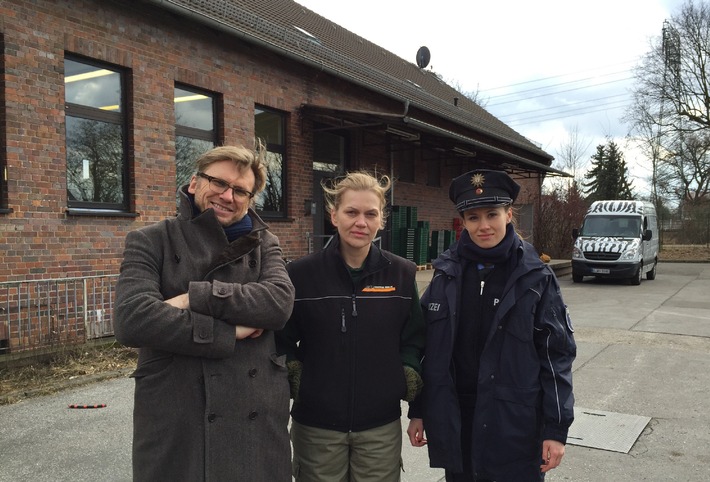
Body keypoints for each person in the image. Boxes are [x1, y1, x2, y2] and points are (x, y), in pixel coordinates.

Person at [114, 144, 295, 482]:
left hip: (254, 411)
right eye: (219, 183)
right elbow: (133, 319)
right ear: (195, 182)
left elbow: (278, 304)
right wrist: (230, 332)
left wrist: (191, 297)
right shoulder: (151, 240)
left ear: (250, 199)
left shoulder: (265, 242)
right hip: (178, 410)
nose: (228, 196)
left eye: (241, 190)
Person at [407, 169, 576, 482]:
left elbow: (556, 358)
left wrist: (555, 429)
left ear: (509, 214)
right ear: (463, 222)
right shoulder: (446, 275)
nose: (483, 225)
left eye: (492, 214)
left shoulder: (536, 278)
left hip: (514, 424)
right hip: (459, 421)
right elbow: (427, 348)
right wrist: (418, 409)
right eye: (473, 217)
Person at [275, 171, 425, 482]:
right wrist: (294, 375)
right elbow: (281, 338)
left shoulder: (401, 274)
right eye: (351, 212)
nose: (361, 222)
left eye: (371, 214)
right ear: (334, 215)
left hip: (379, 427)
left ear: (381, 219)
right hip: (316, 427)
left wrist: (407, 372)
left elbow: (414, 338)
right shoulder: (300, 275)